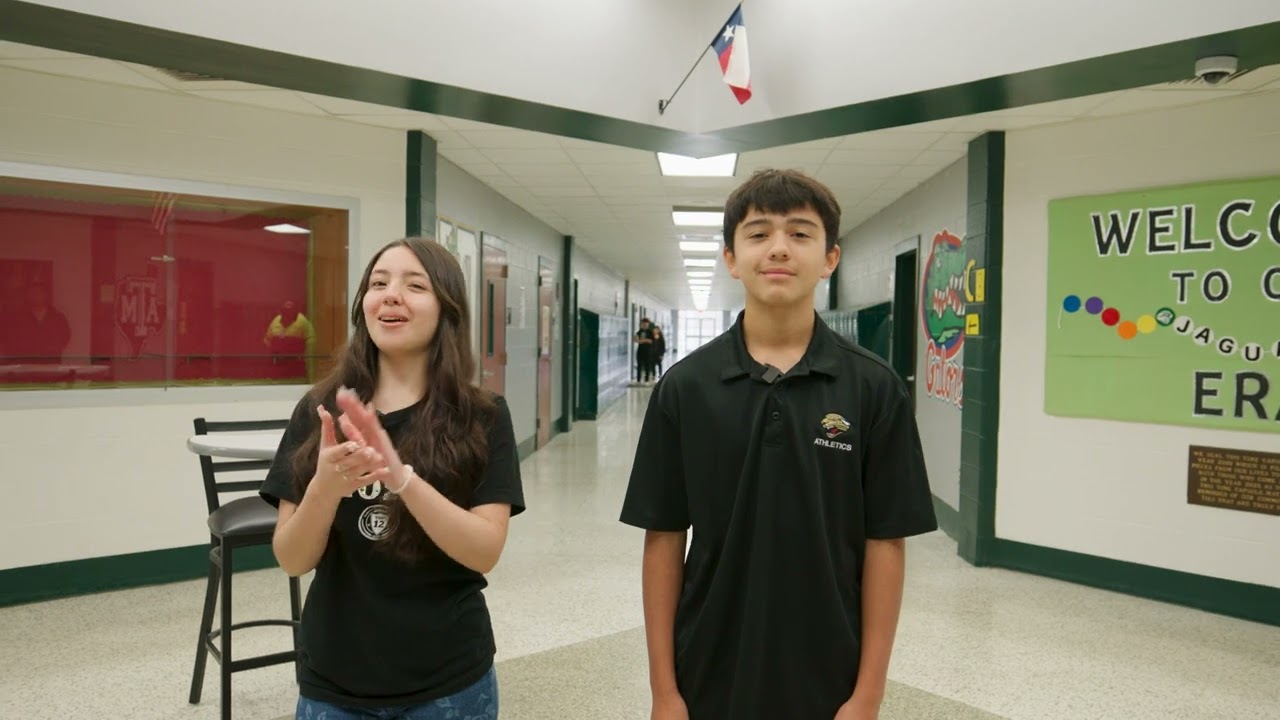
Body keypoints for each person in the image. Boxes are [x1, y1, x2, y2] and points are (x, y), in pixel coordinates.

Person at [619, 169, 937, 719]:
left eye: (800, 233)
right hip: (707, 668)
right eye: (759, 233)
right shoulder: (685, 388)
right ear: (731, 258)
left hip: (831, 676)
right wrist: (664, 692)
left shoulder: (873, 388)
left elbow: (885, 544)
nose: (779, 249)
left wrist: (868, 695)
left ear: (830, 258)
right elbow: (664, 538)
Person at [260, 237, 525, 720]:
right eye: (378, 283)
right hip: (334, 682)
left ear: (447, 309)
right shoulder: (320, 410)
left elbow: (485, 550)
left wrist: (402, 478)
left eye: (414, 284)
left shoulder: (482, 417)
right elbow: (292, 560)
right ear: (364, 306)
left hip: (448, 681)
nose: (391, 294)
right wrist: (323, 488)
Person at [635, 317, 655, 383]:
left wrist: (642, 340)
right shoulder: (639, 332)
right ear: (641, 324)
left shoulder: (650, 332)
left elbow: (651, 341)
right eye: (643, 324)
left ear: (648, 324)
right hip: (640, 351)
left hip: (648, 352)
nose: (645, 325)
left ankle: (646, 380)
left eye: (646, 324)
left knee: (647, 366)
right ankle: (638, 380)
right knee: (639, 366)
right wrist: (645, 340)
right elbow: (636, 340)